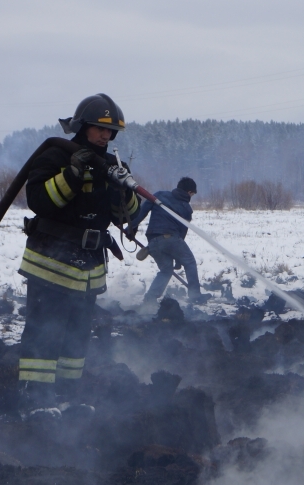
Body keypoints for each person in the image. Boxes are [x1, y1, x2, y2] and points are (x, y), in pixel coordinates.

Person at [17, 94, 139, 419]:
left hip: (89, 268)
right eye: (99, 128)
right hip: (51, 264)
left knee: (77, 335)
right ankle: (36, 398)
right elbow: (40, 201)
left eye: (110, 131)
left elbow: (126, 217)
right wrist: (73, 173)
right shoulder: (56, 154)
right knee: (46, 329)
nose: (105, 136)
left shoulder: (113, 165)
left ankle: (68, 397)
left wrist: (123, 189)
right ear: (83, 125)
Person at [127, 177, 209, 303]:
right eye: (192, 194)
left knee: (166, 271)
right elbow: (181, 234)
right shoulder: (187, 209)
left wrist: (131, 228)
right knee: (190, 262)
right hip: (171, 238)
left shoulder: (159, 195)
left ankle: (150, 298)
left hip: (153, 240)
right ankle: (195, 295)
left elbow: (142, 211)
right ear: (189, 192)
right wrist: (178, 258)